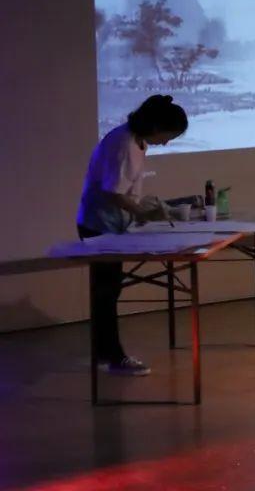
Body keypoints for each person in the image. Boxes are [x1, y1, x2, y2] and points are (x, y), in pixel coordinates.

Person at [77, 94, 188, 375]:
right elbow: (112, 192)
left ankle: (105, 353)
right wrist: (141, 212)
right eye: (168, 135)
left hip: (113, 223)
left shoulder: (137, 141)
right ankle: (114, 357)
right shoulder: (124, 143)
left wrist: (143, 208)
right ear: (156, 126)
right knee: (106, 292)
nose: (167, 142)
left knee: (108, 291)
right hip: (99, 224)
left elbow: (125, 188)